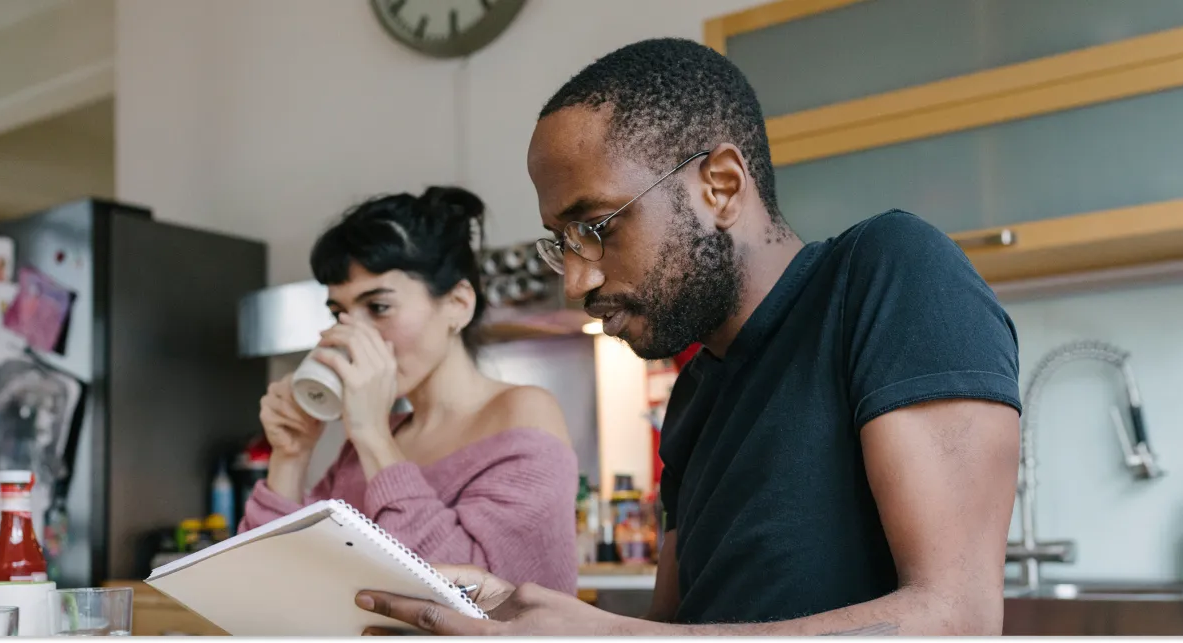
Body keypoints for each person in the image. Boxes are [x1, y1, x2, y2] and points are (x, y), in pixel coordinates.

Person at [354, 38, 1021, 636]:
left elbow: (955, 619)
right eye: (563, 242)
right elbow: (674, 631)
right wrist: (520, 620)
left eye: (598, 226)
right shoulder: (696, 391)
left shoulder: (889, 270)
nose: (577, 281)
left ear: (722, 187)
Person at [241, 186, 579, 594]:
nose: (352, 334)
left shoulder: (523, 412)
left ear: (457, 303)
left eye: (378, 307)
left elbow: (467, 598)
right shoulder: (375, 443)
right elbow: (263, 586)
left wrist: (372, 435)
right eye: (339, 313)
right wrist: (291, 455)